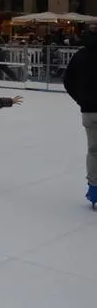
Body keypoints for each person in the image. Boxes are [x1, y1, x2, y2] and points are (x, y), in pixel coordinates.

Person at [63, 23, 97, 207]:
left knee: (94, 151)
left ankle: (94, 188)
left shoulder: (80, 55)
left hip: (89, 110)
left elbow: (67, 80)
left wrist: (81, 99)